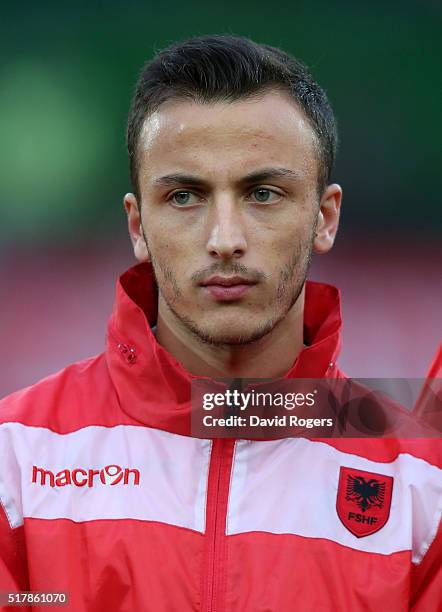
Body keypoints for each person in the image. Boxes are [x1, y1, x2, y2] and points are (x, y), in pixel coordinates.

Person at [0, 35, 440, 611]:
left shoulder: (420, 482)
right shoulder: (18, 459)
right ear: (137, 226)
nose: (225, 240)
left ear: (325, 217)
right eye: (185, 196)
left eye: (263, 193)